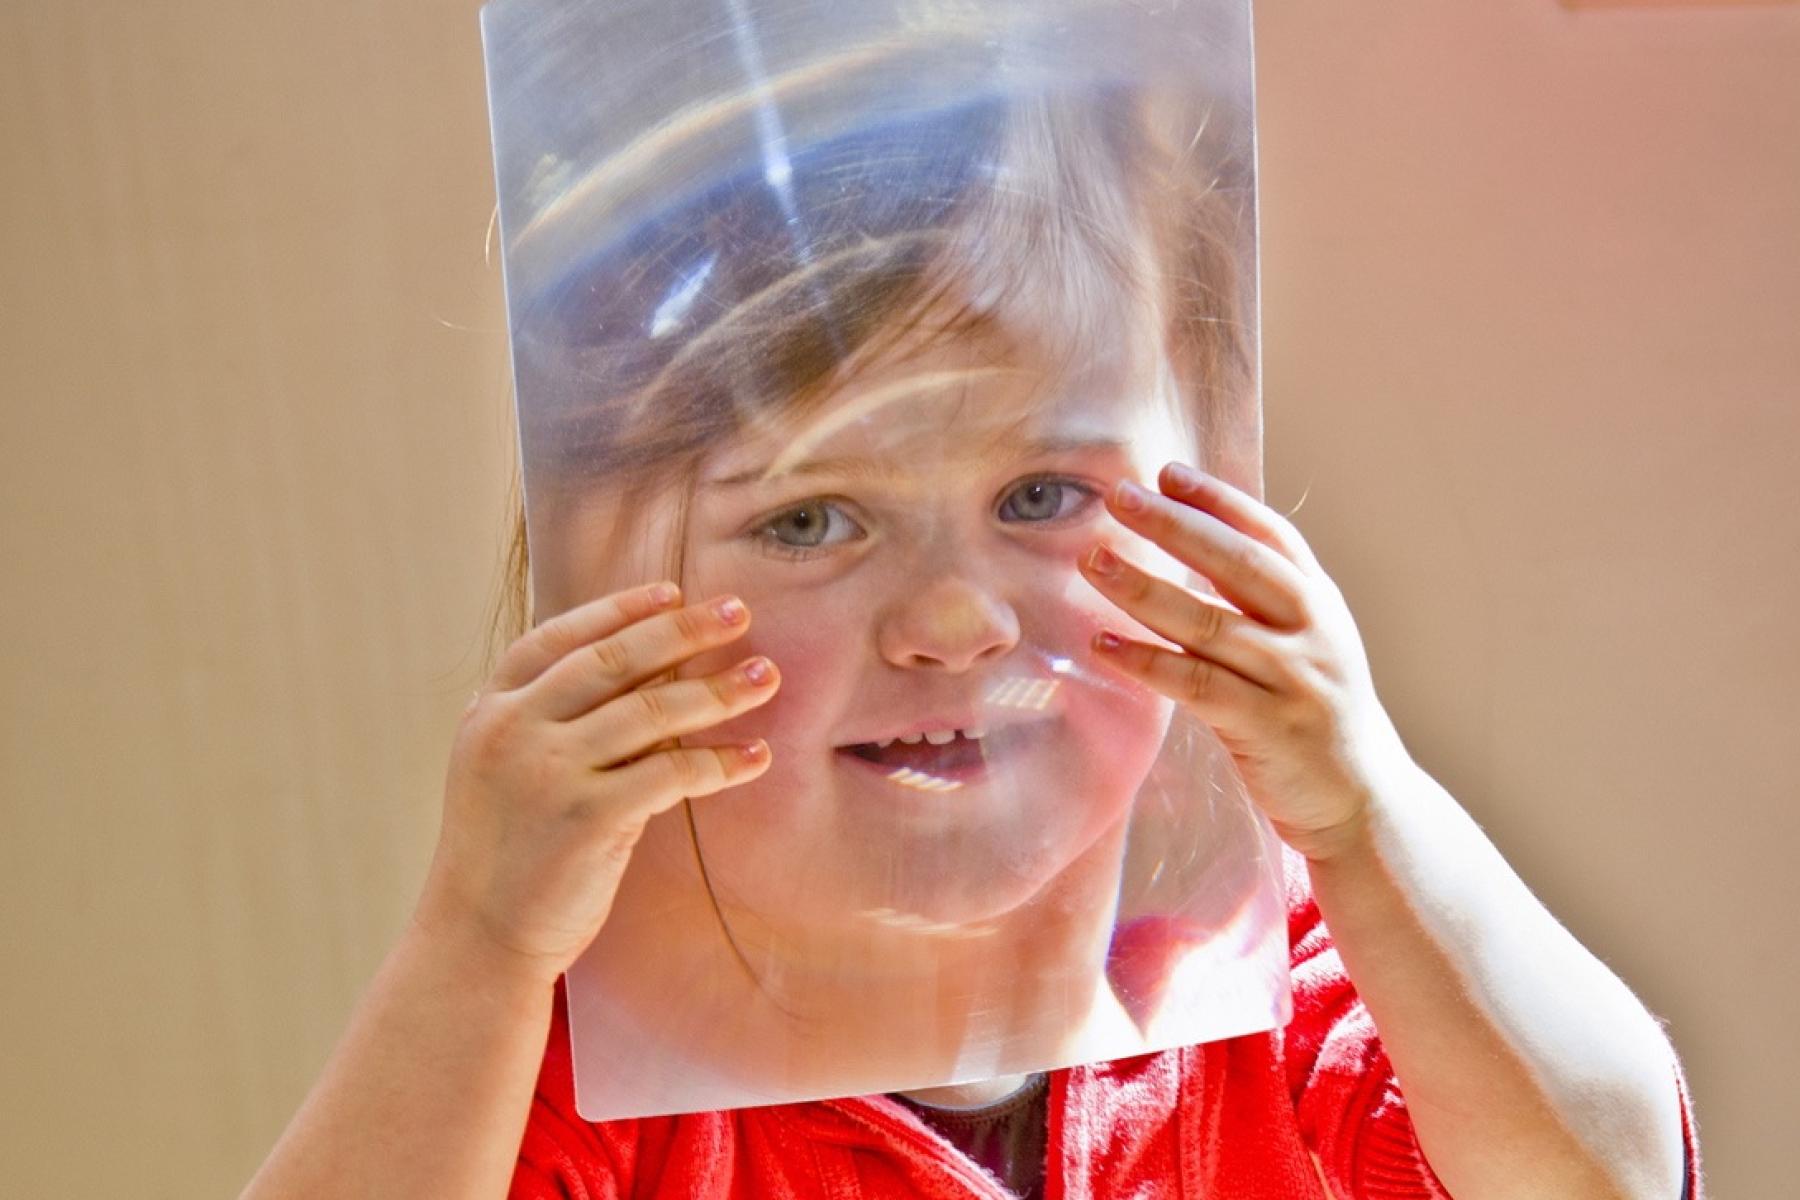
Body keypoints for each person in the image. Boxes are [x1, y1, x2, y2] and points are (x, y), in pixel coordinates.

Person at [241, 91, 1701, 1199]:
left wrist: (1368, 816)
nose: (954, 621)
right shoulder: (572, 1088)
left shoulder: (1284, 1008)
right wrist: (478, 945)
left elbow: (1617, 1170)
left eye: (1042, 497)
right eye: (813, 519)